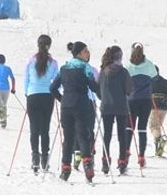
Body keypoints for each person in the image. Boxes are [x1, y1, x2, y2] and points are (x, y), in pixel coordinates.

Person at [51, 41, 101, 183]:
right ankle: (88, 167)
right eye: (86, 51)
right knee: (83, 135)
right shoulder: (85, 68)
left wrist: (62, 99)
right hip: (82, 104)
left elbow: (52, 88)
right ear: (79, 53)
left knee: (68, 138)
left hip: (66, 105)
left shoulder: (64, 67)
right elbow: (93, 86)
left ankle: (65, 169)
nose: (88, 53)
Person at [24, 35, 59, 173]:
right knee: (45, 128)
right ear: (49, 45)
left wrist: (27, 93)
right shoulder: (54, 62)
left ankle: (35, 158)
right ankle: (45, 158)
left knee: (34, 128)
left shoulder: (30, 61)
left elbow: (26, 79)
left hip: (33, 95)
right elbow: (56, 80)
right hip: (47, 96)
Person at [97, 45, 133, 175]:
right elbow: (129, 89)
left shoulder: (103, 72)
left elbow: (98, 89)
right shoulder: (123, 72)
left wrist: (104, 97)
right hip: (121, 107)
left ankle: (105, 162)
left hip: (106, 106)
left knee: (107, 135)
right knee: (121, 136)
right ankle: (122, 161)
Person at [124, 42, 158, 168]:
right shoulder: (149, 64)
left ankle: (126, 151)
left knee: (129, 127)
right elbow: (155, 78)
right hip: (145, 100)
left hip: (131, 99)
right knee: (142, 128)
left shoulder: (127, 65)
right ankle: (141, 156)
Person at [150, 69, 167, 158]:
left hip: (154, 107)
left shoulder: (149, 82)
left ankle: (159, 141)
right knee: (158, 126)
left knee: (153, 126)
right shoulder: (165, 82)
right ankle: (158, 149)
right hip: (164, 108)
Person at [0, 54, 16, 128]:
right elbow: (13, 79)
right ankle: (3, 119)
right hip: (6, 89)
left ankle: (2, 118)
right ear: (4, 61)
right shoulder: (8, 68)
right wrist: (13, 89)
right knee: (3, 104)